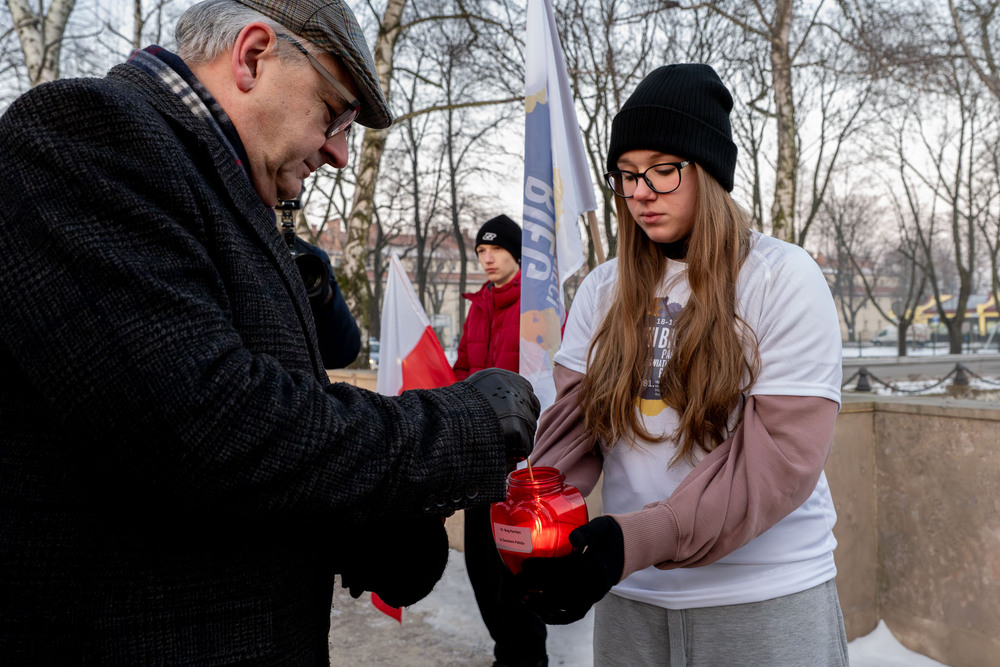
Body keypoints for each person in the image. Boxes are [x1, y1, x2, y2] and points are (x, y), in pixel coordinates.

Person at [0, 0, 540, 662]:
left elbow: (270, 437)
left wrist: (375, 524)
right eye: (336, 111)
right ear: (254, 56)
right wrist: (456, 427)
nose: (341, 152)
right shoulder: (84, 134)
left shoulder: (229, 198)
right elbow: (205, 424)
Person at [515, 64, 848, 666]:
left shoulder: (782, 277)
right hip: (632, 597)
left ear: (710, 173)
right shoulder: (602, 289)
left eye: (663, 170)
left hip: (764, 598)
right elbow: (568, 438)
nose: (640, 191)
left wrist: (631, 540)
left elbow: (780, 462)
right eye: (626, 174)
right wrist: (530, 517)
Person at [453, 215, 549, 667]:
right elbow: (462, 368)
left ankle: (526, 657)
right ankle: (505, 652)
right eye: (480, 252)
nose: (487, 258)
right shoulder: (478, 305)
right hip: (479, 456)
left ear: (517, 254)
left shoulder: (536, 309)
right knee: (480, 565)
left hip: (522, 462)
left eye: (496, 250)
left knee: (518, 570)